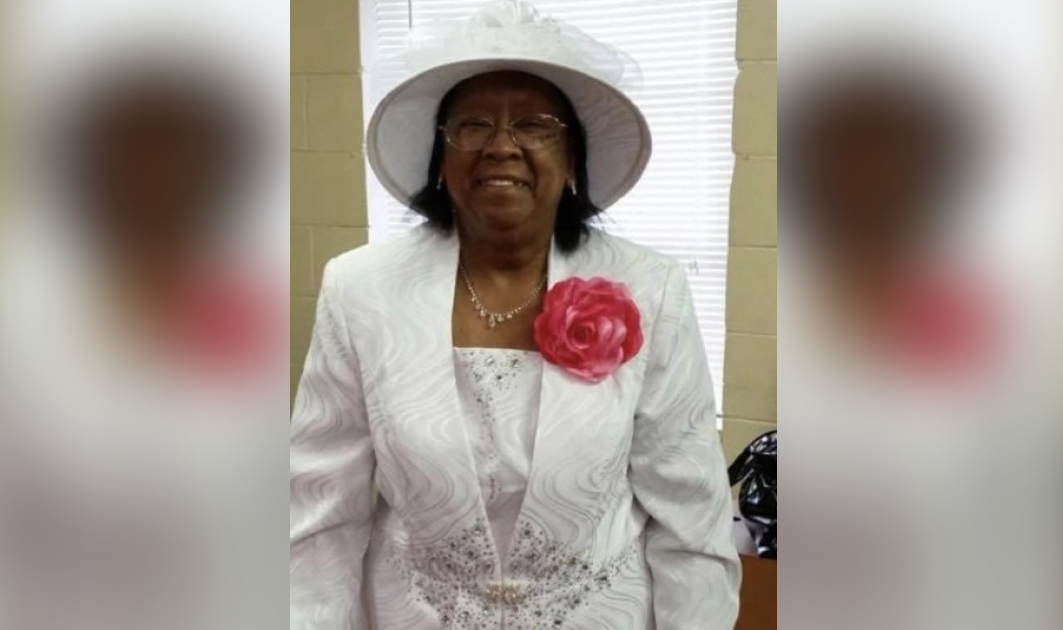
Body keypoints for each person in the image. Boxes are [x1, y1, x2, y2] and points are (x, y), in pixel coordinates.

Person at [289, 2, 741, 628]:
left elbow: (690, 519)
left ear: (573, 160)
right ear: (439, 162)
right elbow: (321, 515)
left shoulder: (649, 288)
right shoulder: (360, 289)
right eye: (472, 126)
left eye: (535, 125)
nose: (502, 146)